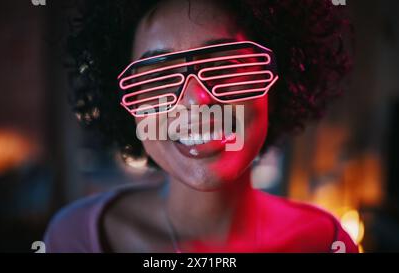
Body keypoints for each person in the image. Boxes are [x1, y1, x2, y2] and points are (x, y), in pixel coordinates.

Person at [44, 0, 357, 253]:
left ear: (276, 85)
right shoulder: (77, 238)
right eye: (157, 76)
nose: (195, 101)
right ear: (131, 108)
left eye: (224, 66)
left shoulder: (325, 242)